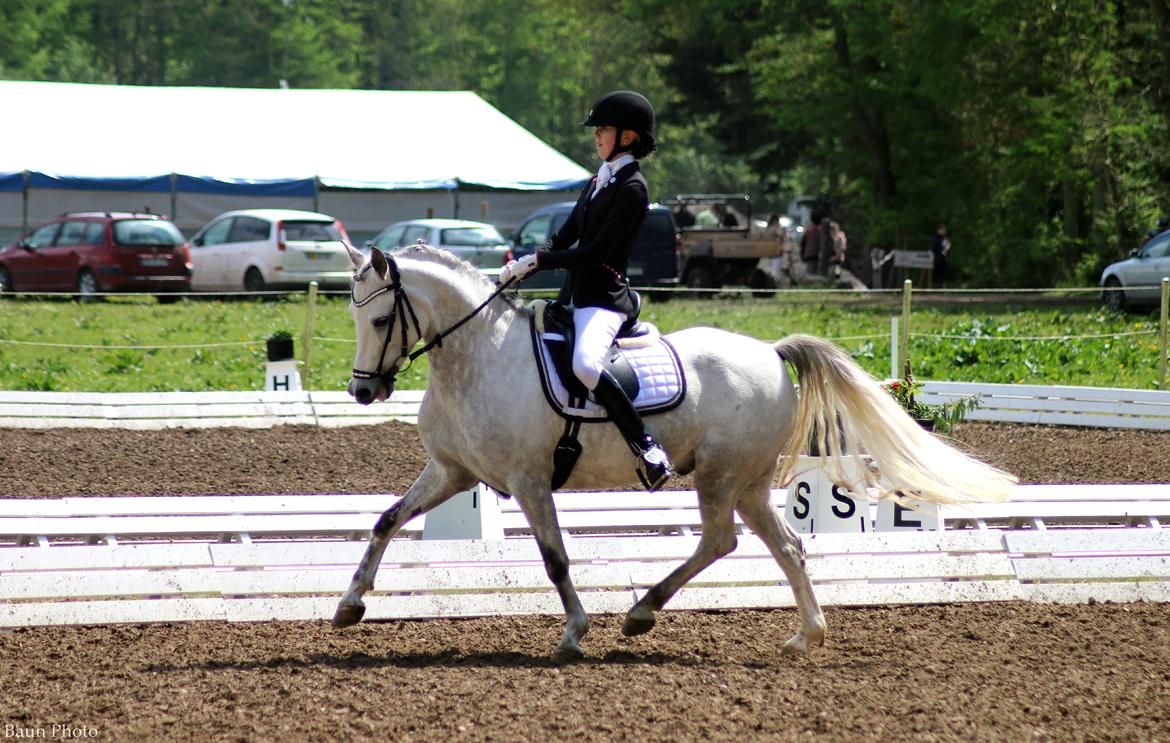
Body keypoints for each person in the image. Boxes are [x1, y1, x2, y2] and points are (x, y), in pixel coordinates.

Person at [498, 90, 673, 491]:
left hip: (603, 299)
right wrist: (522, 263)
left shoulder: (633, 188)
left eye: (604, 129)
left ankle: (646, 446)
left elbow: (596, 253)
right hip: (572, 297)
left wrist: (543, 263)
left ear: (628, 137)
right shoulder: (598, 180)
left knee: (585, 366)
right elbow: (568, 234)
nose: (596, 136)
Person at [801, 210, 824, 276]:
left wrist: (802, 255)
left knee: (810, 275)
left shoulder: (808, 230)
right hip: (821, 256)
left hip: (809, 255)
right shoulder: (823, 230)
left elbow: (803, 244)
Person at [931, 223, 951, 288]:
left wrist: (946, 252)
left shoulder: (946, 239)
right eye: (942, 229)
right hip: (937, 259)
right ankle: (937, 287)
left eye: (945, 230)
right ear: (939, 230)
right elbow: (934, 249)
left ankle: (942, 287)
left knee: (944, 274)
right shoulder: (936, 239)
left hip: (944, 259)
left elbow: (948, 248)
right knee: (937, 274)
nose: (944, 231)